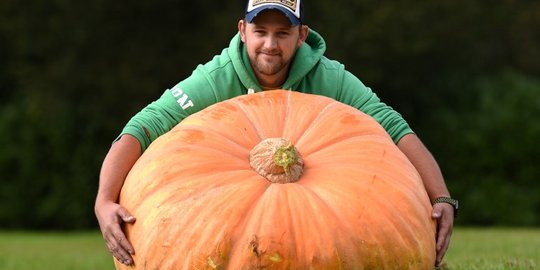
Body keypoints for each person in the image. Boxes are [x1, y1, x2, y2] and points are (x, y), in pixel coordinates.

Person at [95, 0, 456, 267]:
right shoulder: (217, 78)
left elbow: (393, 128)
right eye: (260, 32)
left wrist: (440, 198)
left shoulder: (328, 78)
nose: (270, 44)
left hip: (321, 209)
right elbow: (145, 125)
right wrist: (105, 200)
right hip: (226, 206)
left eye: (282, 33)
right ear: (242, 31)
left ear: (301, 36)